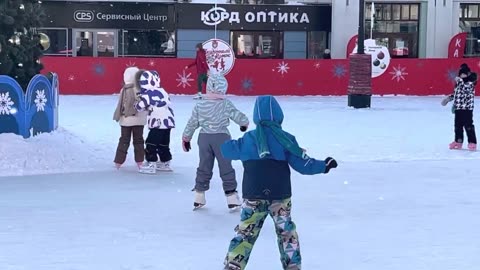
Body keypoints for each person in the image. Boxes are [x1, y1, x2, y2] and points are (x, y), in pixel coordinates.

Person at [221, 95, 338, 270]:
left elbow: (226, 150)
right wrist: (324, 166)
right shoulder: (286, 139)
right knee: (286, 234)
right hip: (280, 196)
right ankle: (292, 267)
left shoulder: (248, 139)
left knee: (246, 234)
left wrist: (225, 135)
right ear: (278, 115)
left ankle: (233, 266)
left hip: (253, 196)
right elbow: (303, 164)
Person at [182, 74, 249, 210]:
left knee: (204, 165)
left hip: (204, 138)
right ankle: (231, 196)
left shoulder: (200, 104)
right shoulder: (225, 103)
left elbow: (192, 122)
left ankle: (199, 195)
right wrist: (244, 123)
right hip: (222, 138)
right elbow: (236, 115)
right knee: (226, 166)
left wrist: (186, 138)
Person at [135, 70, 176, 173]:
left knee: (151, 142)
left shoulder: (148, 93)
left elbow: (141, 106)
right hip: (168, 121)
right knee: (163, 143)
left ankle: (151, 163)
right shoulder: (163, 91)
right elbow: (165, 102)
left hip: (157, 122)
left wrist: (136, 105)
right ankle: (165, 162)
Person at [113, 66, 147, 170]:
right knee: (139, 140)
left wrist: (118, 115)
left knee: (124, 140)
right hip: (139, 120)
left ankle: (119, 161)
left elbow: (120, 105)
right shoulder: (142, 89)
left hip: (126, 119)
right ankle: (140, 161)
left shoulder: (124, 89)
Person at [444, 65, 477, 151]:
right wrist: (449, 98)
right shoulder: (459, 83)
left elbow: (466, 91)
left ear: (467, 75)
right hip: (458, 108)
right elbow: (456, 94)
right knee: (458, 126)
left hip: (467, 109)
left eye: (464, 74)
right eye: (461, 74)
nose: (462, 76)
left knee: (468, 125)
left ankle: (472, 142)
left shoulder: (470, 83)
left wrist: (460, 81)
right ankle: (458, 141)